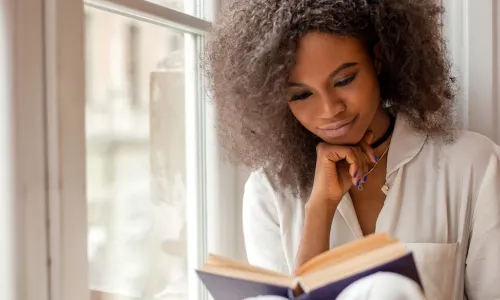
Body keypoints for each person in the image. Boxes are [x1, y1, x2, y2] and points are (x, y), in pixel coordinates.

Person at [203, 0, 500, 299]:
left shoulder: (472, 164)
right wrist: (320, 208)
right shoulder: (268, 191)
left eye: (344, 80)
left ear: (378, 59)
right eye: (302, 94)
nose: (330, 110)